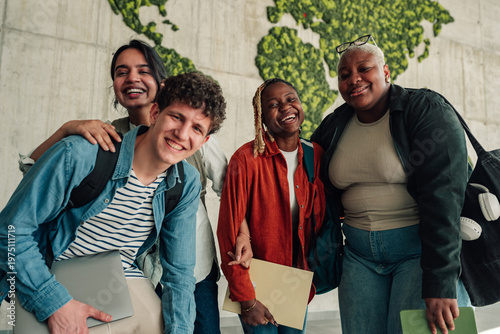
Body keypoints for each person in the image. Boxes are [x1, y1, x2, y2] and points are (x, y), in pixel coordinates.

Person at [17, 39, 249, 334]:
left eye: (143, 70)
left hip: (144, 271)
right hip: (61, 271)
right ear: (156, 113)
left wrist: (242, 233)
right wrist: (54, 303)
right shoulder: (92, 145)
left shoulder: (185, 181)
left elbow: (179, 274)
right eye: (176, 117)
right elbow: (14, 226)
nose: (182, 133)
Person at [310, 35, 470, 334]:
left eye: (364, 69)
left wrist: (441, 281)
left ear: (385, 71)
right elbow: (304, 179)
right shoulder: (335, 124)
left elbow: (444, 198)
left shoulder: (425, 109)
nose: (353, 79)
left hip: (418, 255)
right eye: (344, 75)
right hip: (358, 259)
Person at [217, 78, 327, 334]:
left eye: (291, 99)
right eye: (274, 105)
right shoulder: (246, 158)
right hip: (256, 286)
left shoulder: (316, 155)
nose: (286, 108)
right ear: (262, 117)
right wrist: (245, 298)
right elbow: (228, 231)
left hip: (296, 282)